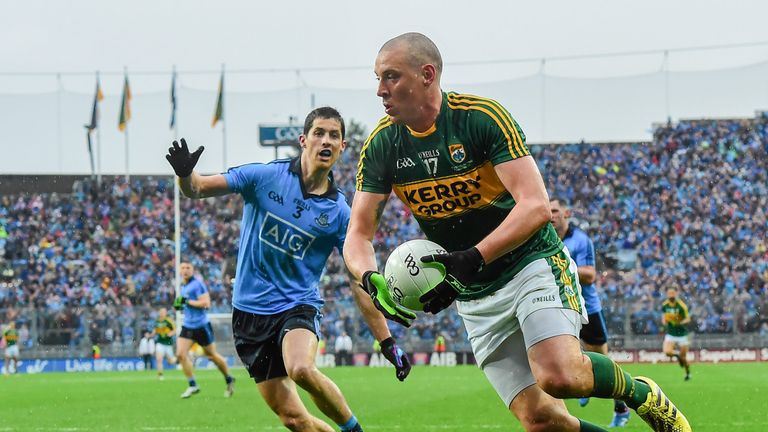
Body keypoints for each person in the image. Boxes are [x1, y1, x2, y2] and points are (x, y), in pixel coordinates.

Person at [344, 32, 691, 432]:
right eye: (377, 78)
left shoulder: (480, 118)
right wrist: (369, 276)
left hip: (530, 264)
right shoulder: (382, 145)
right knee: (541, 420)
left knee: (559, 376)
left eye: (390, 77)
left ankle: (639, 392)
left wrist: (473, 257)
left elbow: (536, 206)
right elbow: (359, 234)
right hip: (473, 294)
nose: (380, 90)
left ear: (427, 74)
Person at [166, 107, 410, 432]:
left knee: (301, 369)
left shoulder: (339, 214)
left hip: (297, 307)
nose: (326, 140)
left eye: (334, 135)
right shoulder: (264, 177)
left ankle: (354, 429)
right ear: (303, 140)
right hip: (248, 315)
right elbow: (197, 188)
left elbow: (358, 281)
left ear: (342, 147)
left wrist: (386, 341)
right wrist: (184, 173)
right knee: (294, 420)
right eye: (319, 133)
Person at [550, 198, 630, 428]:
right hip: (559, 307)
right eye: (549, 211)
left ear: (567, 213)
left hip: (586, 307)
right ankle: (583, 384)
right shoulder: (544, 235)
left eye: (555, 211)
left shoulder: (580, 240)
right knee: (563, 356)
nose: (551, 215)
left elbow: (589, 275)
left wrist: (561, 263)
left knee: (604, 360)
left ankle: (621, 408)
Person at [173, 262, 236, 398]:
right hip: (188, 325)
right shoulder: (184, 286)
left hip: (201, 326)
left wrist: (187, 302)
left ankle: (229, 378)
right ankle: (193, 385)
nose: (185, 270)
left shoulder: (197, 284)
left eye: (188, 268)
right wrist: (179, 306)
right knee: (180, 354)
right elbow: (186, 304)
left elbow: (206, 303)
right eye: (183, 268)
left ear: (193, 270)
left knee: (212, 356)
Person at [661, 287, 692, 381]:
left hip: (682, 334)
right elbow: (663, 317)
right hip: (671, 334)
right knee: (667, 352)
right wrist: (664, 321)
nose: (671, 295)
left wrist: (679, 322)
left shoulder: (681, 306)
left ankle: (688, 373)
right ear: (667, 294)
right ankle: (677, 355)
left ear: (676, 293)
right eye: (669, 293)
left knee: (684, 358)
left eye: (673, 293)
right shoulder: (665, 305)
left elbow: (688, 319)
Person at [152, 307, 177, 380]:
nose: (162, 313)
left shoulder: (169, 321)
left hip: (168, 343)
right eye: (161, 312)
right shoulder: (157, 321)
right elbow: (155, 330)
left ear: (166, 313)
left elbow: (175, 330)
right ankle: (160, 375)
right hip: (160, 342)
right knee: (159, 359)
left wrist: (170, 333)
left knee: (171, 361)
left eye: (163, 312)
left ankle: (177, 359)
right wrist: (151, 335)